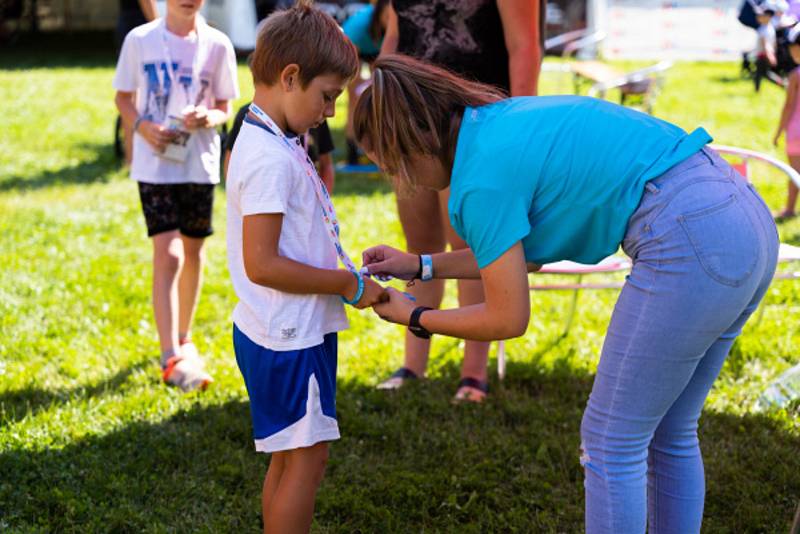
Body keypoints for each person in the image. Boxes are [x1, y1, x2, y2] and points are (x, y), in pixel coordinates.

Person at [355, 55, 779, 533]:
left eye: (393, 165)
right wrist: (421, 265)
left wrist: (416, 317)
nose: (399, 181)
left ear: (416, 140)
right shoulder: (495, 125)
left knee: (609, 442)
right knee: (668, 432)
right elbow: (512, 256)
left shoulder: (477, 181)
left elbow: (507, 317)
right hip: (742, 216)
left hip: (689, 236)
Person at [225, 3, 384, 532]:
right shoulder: (268, 158)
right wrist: (345, 283)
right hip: (288, 335)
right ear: (290, 77)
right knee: (307, 461)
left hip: (282, 329)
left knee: (289, 457)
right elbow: (263, 263)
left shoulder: (270, 136)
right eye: (328, 96)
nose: (332, 113)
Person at [374, 0, 543, 402]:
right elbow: (396, 35)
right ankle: (413, 365)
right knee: (418, 245)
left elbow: (525, 47)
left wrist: (519, 128)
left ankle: (473, 374)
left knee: (470, 248)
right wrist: (380, 99)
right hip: (409, 122)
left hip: (476, 124)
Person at [113, 0, 239, 391]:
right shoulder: (140, 39)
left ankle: (184, 336)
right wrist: (142, 127)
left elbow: (225, 106)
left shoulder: (218, 43)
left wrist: (209, 118)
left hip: (198, 163)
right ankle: (169, 353)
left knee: (193, 250)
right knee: (168, 253)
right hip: (154, 166)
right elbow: (123, 97)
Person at [224, 101, 336, 192]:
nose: (331, 112)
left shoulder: (316, 117)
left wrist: (322, 206)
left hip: (309, 209)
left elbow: (326, 165)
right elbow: (231, 165)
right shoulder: (249, 115)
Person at [342, 0, 392, 165]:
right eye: (388, 16)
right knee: (355, 99)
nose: (392, 20)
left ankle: (380, 146)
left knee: (382, 97)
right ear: (380, 13)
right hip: (354, 49)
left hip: (376, 50)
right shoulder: (359, 26)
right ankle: (352, 148)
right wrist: (360, 82)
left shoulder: (394, 23)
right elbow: (350, 66)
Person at [116, 0, 159, 165]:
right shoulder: (147, 32)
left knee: (133, 96)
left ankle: (131, 157)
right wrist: (158, 28)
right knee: (133, 98)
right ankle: (131, 157)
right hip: (138, 27)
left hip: (130, 23)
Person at [774, 23, 800, 219]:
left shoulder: (795, 76)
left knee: (795, 172)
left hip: (796, 131)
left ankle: (790, 209)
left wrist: (778, 132)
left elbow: (788, 107)